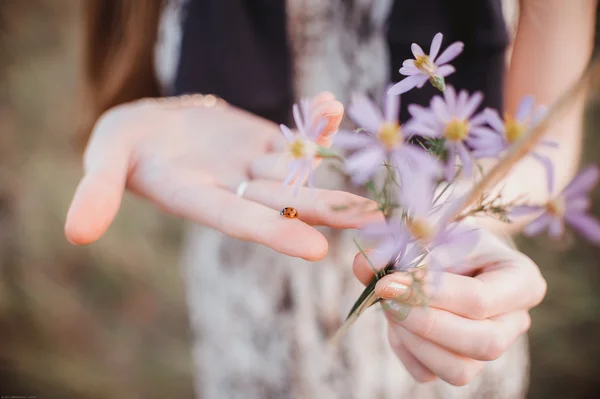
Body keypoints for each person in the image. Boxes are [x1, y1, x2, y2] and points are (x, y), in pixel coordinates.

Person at [65, 0, 596, 397]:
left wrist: (451, 220)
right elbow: (129, 69)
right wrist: (156, 125)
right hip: (245, 333)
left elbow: (540, 142)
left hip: (436, 328)